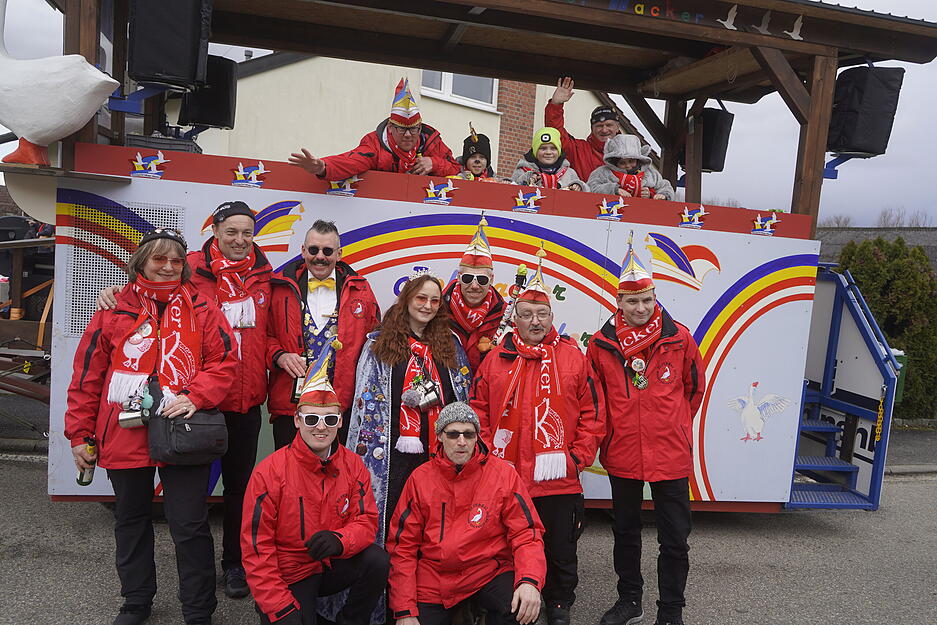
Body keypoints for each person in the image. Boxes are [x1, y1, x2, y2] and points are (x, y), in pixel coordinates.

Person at [97, 200, 276, 600]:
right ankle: (157, 592)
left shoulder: (267, 277)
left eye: (248, 233)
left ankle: (233, 567)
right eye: (232, 231)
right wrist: (116, 292)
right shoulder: (190, 270)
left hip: (239, 402)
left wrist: (279, 355)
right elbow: (147, 291)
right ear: (215, 231)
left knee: (236, 491)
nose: (240, 240)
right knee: (180, 508)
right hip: (191, 408)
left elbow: (265, 338)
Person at [66, 228, 236, 625]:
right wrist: (80, 434)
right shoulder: (112, 310)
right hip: (125, 430)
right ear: (141, 262)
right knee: (130, 519)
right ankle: (136, 601)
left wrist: (195, 396)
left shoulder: (204, 309)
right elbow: (86, 378)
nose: (169, 267)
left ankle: (197, 609)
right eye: (159, 259)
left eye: (177, 260)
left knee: (190, 524)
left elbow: (225, 362)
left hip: (184, 427)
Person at [469, 247, 604, 625]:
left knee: (561, 548)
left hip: (557, 479)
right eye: (526, 314)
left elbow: (593, 414)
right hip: (506, 476)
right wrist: (483, 456)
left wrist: (577, 458)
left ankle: (559, 605)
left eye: (542, 314)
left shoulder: (573, 357)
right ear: (516, 319)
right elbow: (478, 408)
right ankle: (509, 600)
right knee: (503, 545)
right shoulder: (496, 358)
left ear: (552, 318)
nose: (535, 321)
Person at [586, 234, 704, 625]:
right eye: (632, 301)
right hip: (622, 454)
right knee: (626, 533)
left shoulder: (680, 338)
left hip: (670, 454)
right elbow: (596, 400)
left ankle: (671, 612)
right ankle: (630, 600)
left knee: (675, 541)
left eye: (647, 300)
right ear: (618, 301)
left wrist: (671, 427)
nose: (640, 308)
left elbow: (693, 390)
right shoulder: (601, 344)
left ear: (656, 298)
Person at [241, 344, 389, 625]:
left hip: (332, 562)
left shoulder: (353, 464)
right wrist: (278, 605)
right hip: (289, 572)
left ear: (340, 421)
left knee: (377, 561)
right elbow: (256, 549)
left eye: (329, 419)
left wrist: (340, 540)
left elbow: (366, 521)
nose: (321, 427)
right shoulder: (269, 472)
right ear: (297, 420)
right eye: (311, 418)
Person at [388, 402, 546, 625]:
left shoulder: (503, 475)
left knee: (522, 610)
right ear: (440, 436)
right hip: (434, 579)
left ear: (477, 437)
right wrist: (404, 610)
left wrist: (529, 582)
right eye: (453, 434)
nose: (461, 442)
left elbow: (527, 534)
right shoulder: (420, 479)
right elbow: (402, 548)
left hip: (487, 571)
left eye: (469, 434)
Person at [346, 272, 472, 540]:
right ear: (407, 300)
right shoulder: (378, 345)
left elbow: (461, 396)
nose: (427, 305)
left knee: (436, 514)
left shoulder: (450, 345)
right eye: (421, 298)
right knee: (395, 515)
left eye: (435, 301)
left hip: (439, 448)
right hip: (393, 452)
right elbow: (366, 406)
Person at [267, 220, 381, 449]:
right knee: (289, 476)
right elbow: (263, 336)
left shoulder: (362, 290)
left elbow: (374, 343)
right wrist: (279, 355)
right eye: (313, 250)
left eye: (327, 251)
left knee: (335, 476)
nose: (320, 257)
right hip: (291, 406)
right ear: (303, 251)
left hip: (339, 406)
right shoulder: (279, 287)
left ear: (339, 254)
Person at [289, 78, 461, 180]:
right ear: (391, 127)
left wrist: (435, 163)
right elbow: (351, 161)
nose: (409, 135)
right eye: (402, 129)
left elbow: (456, 170)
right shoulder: (375, 144)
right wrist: (323, 167)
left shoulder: (431, 140)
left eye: (414, 129)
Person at [441, 215, 505, 372]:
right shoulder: (437, 310)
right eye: (468, 278)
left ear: (491, 279)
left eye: (482, 279)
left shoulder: (505, 316)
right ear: (458, 277)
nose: (474, 286)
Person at [544, 77, 622, 180]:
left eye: (609, 125)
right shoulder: (578, 150)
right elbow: (555, 134)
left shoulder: (629, 152)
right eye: (599, 126)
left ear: (617, 127)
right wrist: (555, 105)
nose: (604, 130)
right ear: (592, 128)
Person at [587, 134, 675, 201]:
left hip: (644, 216)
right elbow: (590, 188)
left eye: (631, 161)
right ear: (614, 161)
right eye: (622, 163)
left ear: (638, 159)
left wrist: (655, 195)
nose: (628, 165)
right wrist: (614, 189)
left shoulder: (651, 173)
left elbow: (665, 187)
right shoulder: (602, 173)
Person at [511, 127, 589, 192]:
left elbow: (587, 193)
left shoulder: (569, 173)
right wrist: (527, 178)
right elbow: (511, 189)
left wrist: (579, 186)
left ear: (559, 151)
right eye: (543, 148)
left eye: (553, 149)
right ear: (535, 151)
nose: (548, 152)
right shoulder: (522, 171)